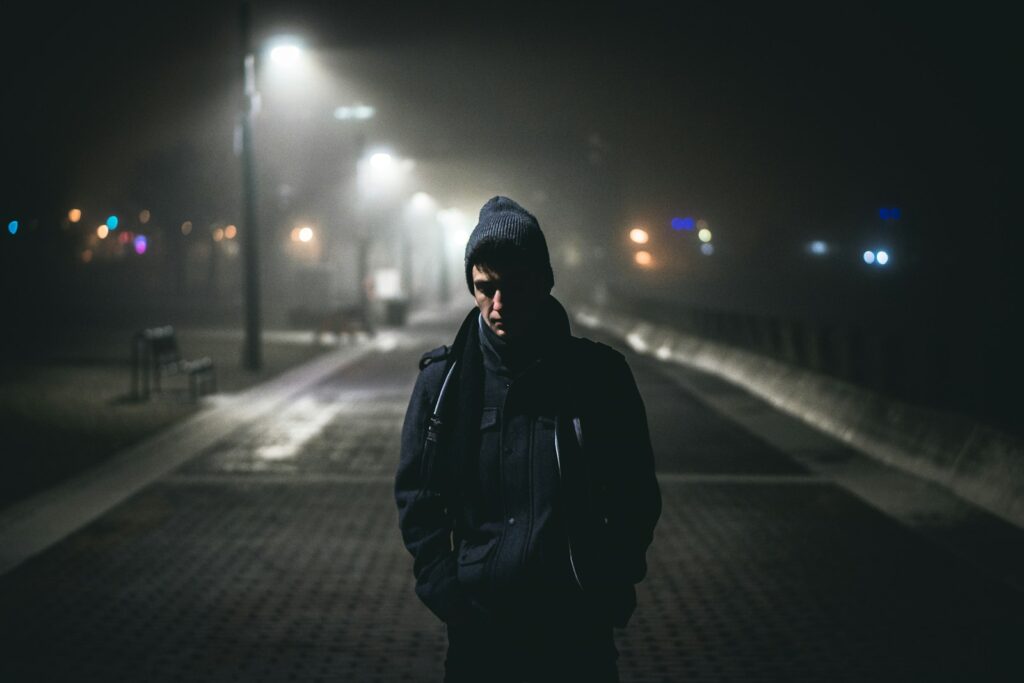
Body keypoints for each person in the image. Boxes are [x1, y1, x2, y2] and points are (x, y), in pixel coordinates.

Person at [395, 196, 661, 682]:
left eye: (513, 286)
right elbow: (418, 496)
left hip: (575, 625)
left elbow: (636, 493)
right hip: (479, 626)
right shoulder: (443, 383)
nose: (498, 305)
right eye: (484, 288)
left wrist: (609, 582)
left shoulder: (599, 377)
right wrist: (447, 593)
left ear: (544, 282)